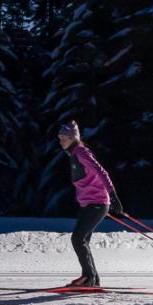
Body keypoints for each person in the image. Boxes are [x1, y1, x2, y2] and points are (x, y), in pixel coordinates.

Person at [55, 120, 123, 287]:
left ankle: (89, 277)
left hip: (97, 203)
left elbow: (101, 171)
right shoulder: (74, 154)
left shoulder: (81, 152)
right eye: (59, 137)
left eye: (64, 137)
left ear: (72, 138)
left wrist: (113, 195)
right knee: (82, 240)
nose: (61, 140)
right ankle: (93, 279)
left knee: (78, 239)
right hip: (92, 204)